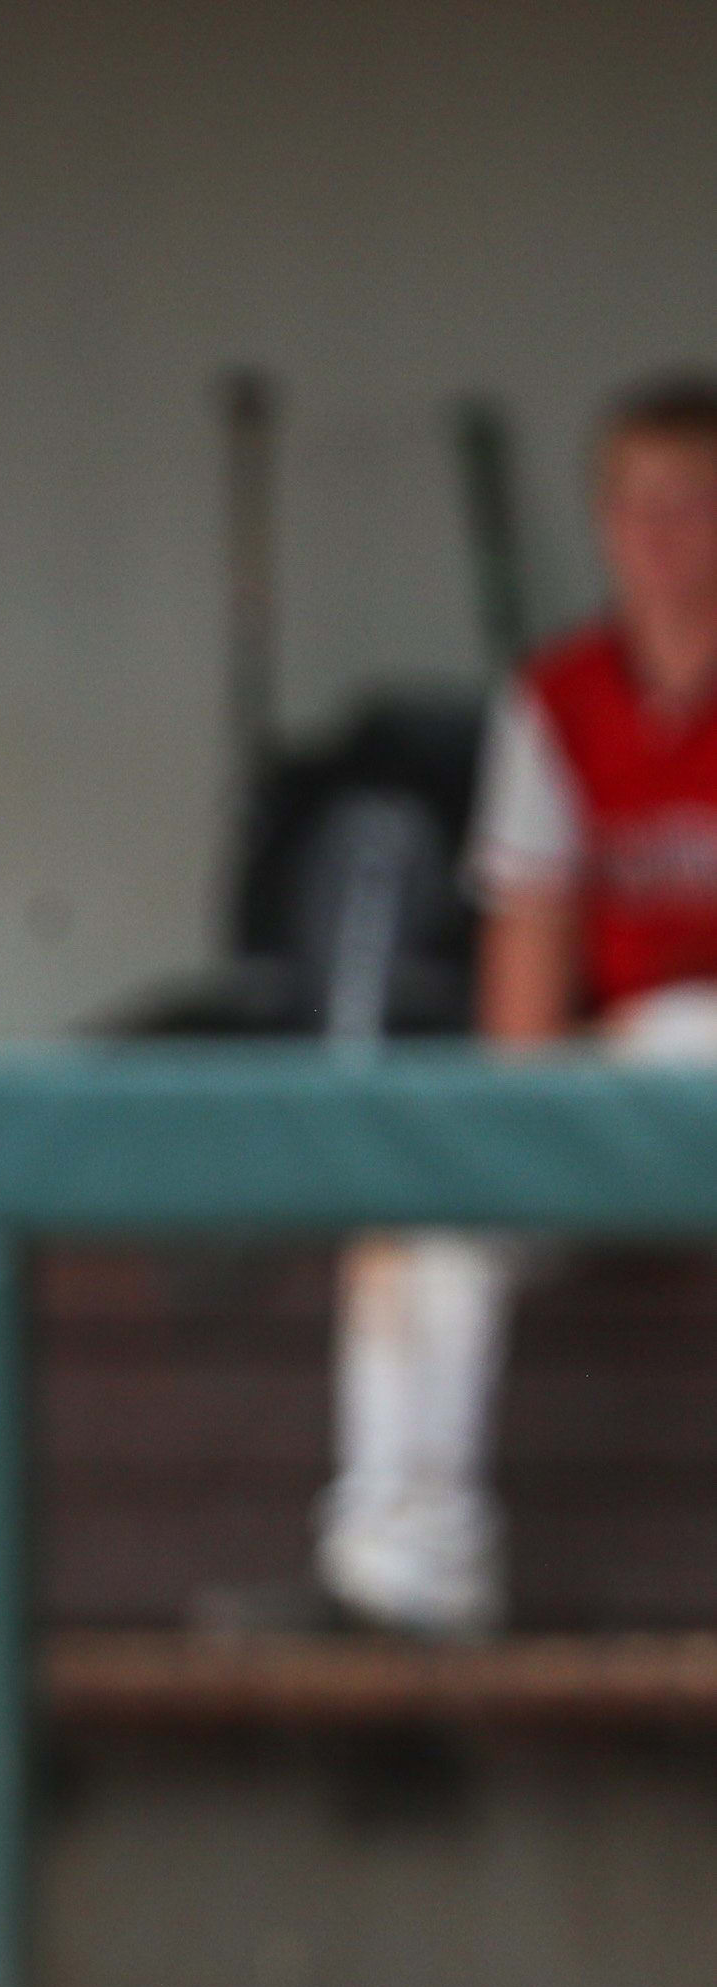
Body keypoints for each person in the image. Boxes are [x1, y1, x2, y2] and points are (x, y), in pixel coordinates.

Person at [319, 374, 717, 1638]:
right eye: (642, 508)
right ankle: (406, 1577)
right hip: (634, 1080)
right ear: (605, 524)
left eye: (697, 506)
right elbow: (529, 951)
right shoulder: (559, 700)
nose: (667, 537)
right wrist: (519, 1134)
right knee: (422, 1220)